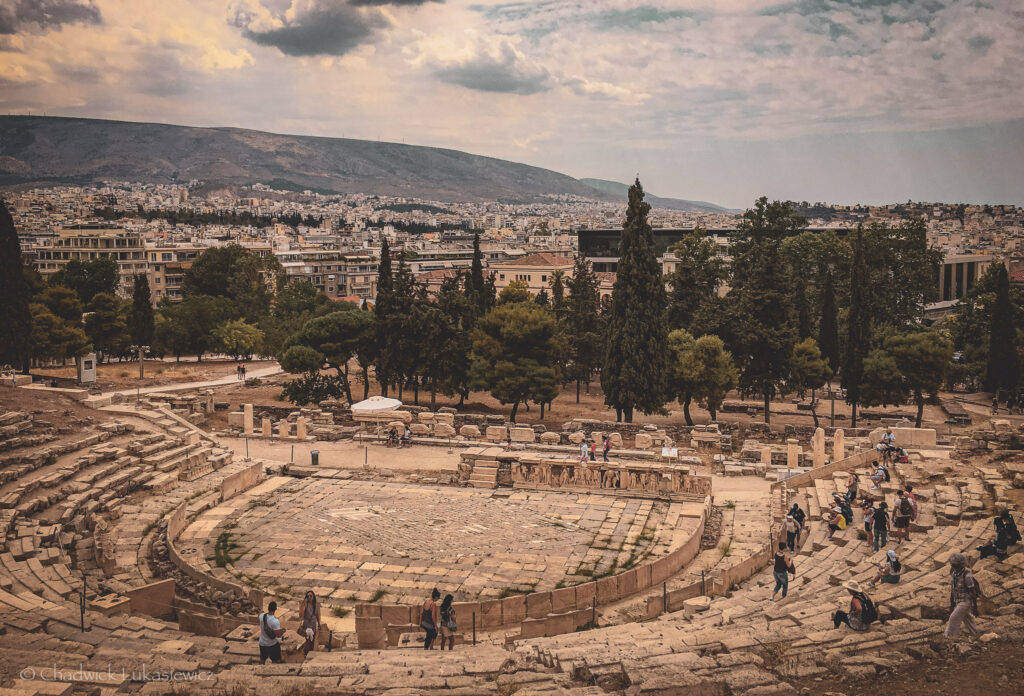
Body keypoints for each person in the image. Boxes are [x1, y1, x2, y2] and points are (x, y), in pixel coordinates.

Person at [945, 553, 980, 640]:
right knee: (968, 619)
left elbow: (973, 592)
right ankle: (976, 635)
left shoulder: (967, 576)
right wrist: (951, 604)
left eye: (955, 565)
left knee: (953, 618)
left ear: (961, 564)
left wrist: (975, 607)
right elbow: (953, 589)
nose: (954, 567)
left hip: (965, 601)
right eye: (952, 565)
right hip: (958, 600)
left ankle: (949, 637)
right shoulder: (954, 573)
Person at [298, 590, 321, 655]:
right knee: (307, 639)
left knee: (312, 639)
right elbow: (301, 614)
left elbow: (317, 614)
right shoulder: (305, 604)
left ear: (313, 596)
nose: (309, 597)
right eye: (308, 596)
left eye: (311, 596)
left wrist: (319, 624)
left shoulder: (315, 604)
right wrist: (304, 605)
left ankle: (310, 652)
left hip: (313, 623)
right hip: (307, 623)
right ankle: (306, 653)